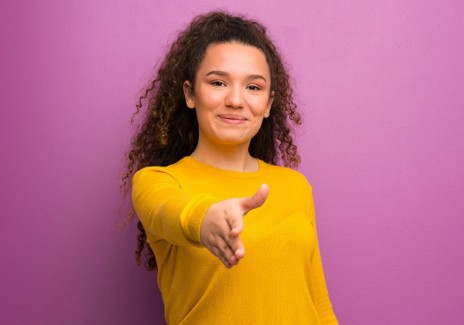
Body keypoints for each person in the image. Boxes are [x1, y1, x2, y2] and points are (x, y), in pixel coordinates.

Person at [121, 10, 338, 324]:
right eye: (218, 82)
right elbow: (173, 212)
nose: (236, 100)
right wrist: (207, 219)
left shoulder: (295, 187)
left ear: (268, 104)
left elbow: (319, 304)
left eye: (253, 87)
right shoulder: (157, 181)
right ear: (190, 94)